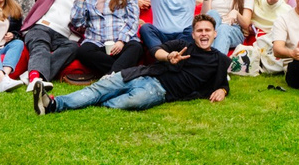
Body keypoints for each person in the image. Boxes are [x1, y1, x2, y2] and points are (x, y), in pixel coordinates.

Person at [37, 13, 233, 115]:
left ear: (215, 33)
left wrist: (223, 91)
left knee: (125, 102)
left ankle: (92, 100)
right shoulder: (181, 45)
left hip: (158, 91)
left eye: (208, 30)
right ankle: (53, 104)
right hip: (139, 74)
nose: (204, 34)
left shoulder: (219, 60)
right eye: (199, 31)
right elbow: (156, 51)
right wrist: (168, 57)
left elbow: (223, 83)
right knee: (97, 90)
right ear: (193, 34)